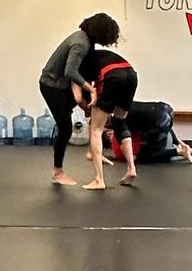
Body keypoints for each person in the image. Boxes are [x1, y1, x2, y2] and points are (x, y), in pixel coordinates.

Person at [39, 12, 120, 185]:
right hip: (52, 86)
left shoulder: (86, 40)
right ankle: (57, 172)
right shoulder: (81, 43)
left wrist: (85, 96)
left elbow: (81, 70)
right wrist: (89, 89)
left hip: (63, 84)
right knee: (65, 128)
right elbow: (70, 71)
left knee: (96, 106)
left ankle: (93, 151)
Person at [77, 45, 139, 190]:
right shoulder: (99, 55)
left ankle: (99, 180)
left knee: (95, 129)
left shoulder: (78, 65)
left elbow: (82, 95)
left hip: (112, 75)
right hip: (131, 74)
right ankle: (131, 168)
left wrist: (87, 110)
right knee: (119, 121)